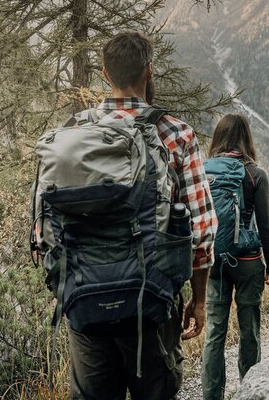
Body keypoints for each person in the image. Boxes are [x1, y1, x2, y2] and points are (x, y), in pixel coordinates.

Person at [66, 31, 218, 399]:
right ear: (149, 71)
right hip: (151, 300)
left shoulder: (73, 130)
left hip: (85, 299)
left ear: (105, 73)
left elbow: (44, 226)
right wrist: (198, 299)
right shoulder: (175, 133)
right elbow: (200, 227)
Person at [201, 114, 269, 400]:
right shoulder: (255, 174)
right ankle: (250, 392)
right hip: (248, 263)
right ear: (246, 138)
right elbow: (265, 225)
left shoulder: (203, 170)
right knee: (250, 332)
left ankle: (212, 396)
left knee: (214, 335)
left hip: (214, 263)